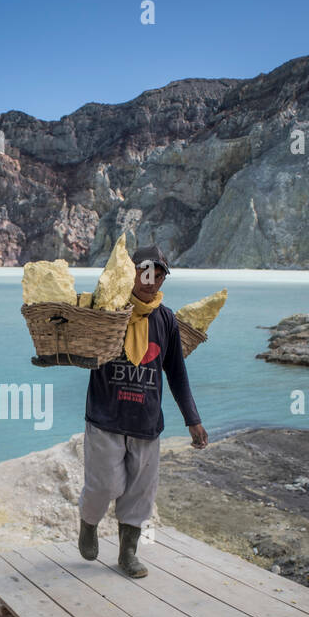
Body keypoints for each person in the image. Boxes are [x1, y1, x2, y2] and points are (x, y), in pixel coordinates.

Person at [78, 244, 208, 577]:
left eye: (159, 273)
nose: (151, 280)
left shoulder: (166, 320)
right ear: (131, 272)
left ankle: (128, 553)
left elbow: (176, 372)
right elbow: (81, 345)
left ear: (164, 278)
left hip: (146, 423)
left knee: (140, 493)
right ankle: (89, 524)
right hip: (106, 417)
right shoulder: (109, 311)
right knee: (103, 485)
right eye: (144, 271)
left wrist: (192, 420)